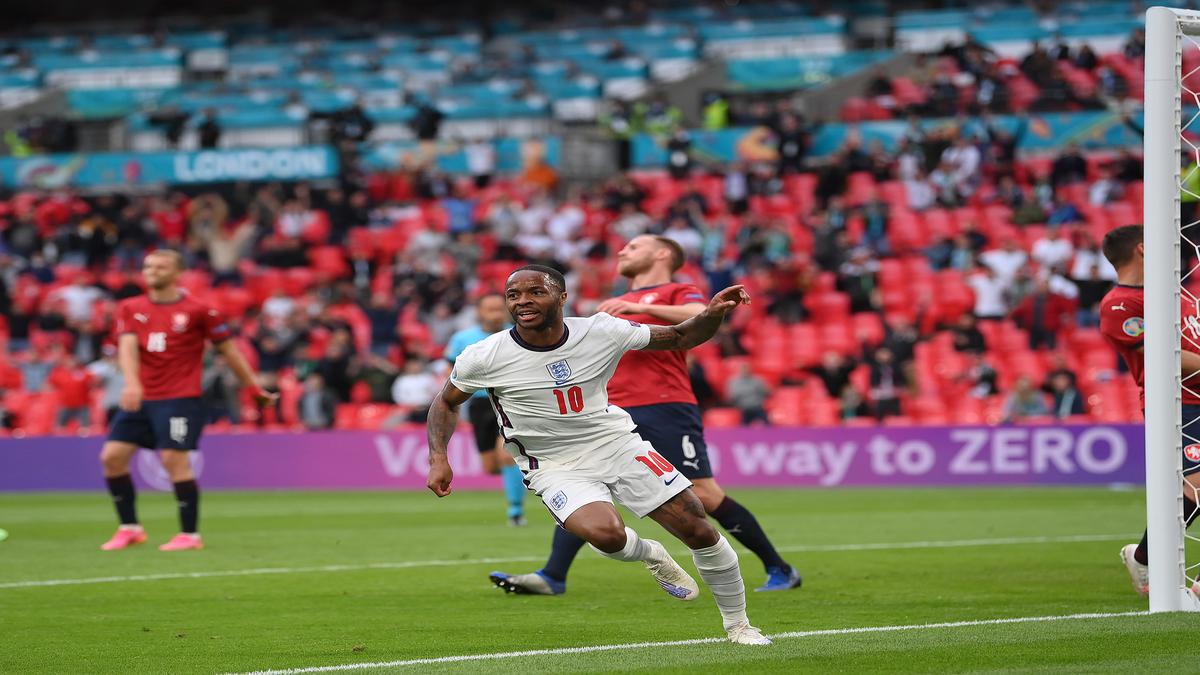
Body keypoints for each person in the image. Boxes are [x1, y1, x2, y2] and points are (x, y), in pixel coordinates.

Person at [425, 265, 771, 645]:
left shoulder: (601, 330)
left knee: (697, 527)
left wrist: (712, 313)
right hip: (552, 464)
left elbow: (678, 336)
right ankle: (651, 554)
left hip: (616, 444)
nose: (522, 301)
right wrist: (439, 456)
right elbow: (445, 402)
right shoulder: (484, 355)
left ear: (562, 297)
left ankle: (739, 625)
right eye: (513, 295)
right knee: (605, 534)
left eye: (535, 292)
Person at [490, 235, 800, 598]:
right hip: (610, 409)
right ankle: (553, 574)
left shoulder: (675, 290)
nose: (622, 250)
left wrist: (638, 308)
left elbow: (696, 318)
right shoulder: (616, 301)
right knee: (584, 483)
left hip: (664, 404)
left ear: (662, 253)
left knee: (703, 493)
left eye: (634, 247)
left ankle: (779, 567)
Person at [98, 250, 277, 552]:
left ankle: (190, 535)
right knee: (111, 458)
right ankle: (130, 527)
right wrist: (131, 384)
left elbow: (230, 352)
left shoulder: (200, 311)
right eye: (148, 266)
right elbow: (127, 348)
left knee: (173, 460)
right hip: (142, 396)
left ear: (178, 273)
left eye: (161, 266)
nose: (152, 271)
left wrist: (254, 387)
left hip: (180, 398)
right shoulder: (130, 307)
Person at [1100, 225, 1200, 595]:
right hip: (1179, 404)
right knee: (1197, 486)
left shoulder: (1178, 292)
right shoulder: (1119, 304)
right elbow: (1160, 355)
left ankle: (1144, 556)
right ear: (1143, 248)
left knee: (1190, 492)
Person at [443, 293, 527, 526]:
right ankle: (524, 478)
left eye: (500, 309)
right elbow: (451, 374)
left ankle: (516, 512)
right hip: (479, 404)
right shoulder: (463, 339)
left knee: (507, 455)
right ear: (479, 312)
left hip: (509, 400)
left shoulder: (520, 334)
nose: (496, 313)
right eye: (490, 309)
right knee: (491, 466)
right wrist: (451, 406)